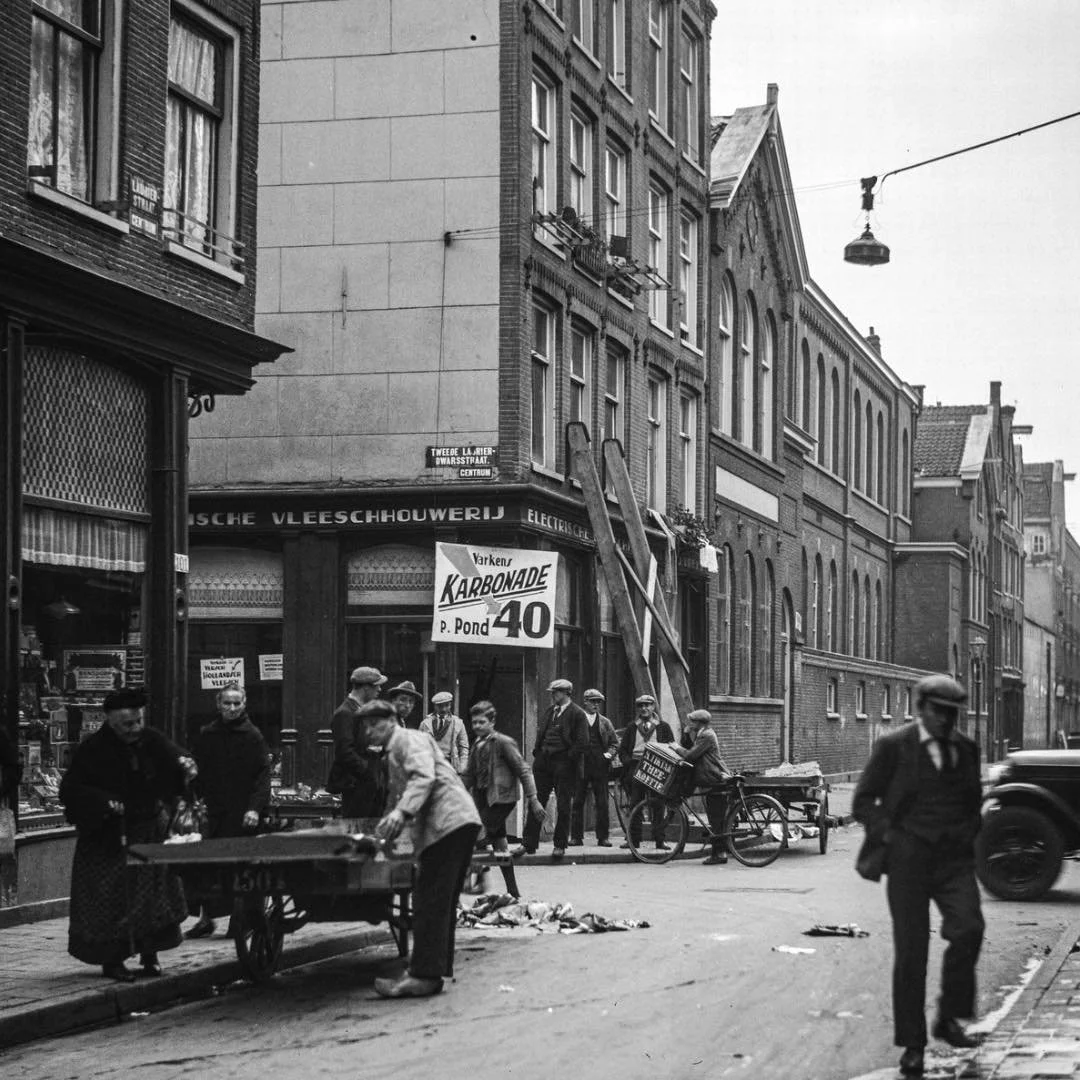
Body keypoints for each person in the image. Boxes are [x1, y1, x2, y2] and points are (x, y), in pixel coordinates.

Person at [853, 674, 985, 1078]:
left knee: (968, 929)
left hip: (952, 862)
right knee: (911, 953)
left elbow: (972, 801)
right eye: (939, 712)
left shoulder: (966, 749)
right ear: (921, 708)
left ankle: (950, 1017)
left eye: (953, 714)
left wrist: (965, 836)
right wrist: (890, 838)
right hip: (908, 862)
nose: (947, 721)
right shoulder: (894, 747)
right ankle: (913, 1045)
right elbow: (864, 801)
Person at [59, 689, 195, 981]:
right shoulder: (93, 749)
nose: (134, 729)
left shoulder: (150, 738)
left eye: (137, 722)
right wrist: (104, 801)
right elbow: (71, 789)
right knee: (110, 897)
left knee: (152, 897)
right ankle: (112, 960)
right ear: (110, 721)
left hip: (147, 829)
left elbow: (173, 755)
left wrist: (184, 763)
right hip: (109, 836)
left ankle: (150, 954)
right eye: (126, 724)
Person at [359, 700, 481, 999]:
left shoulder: (408, 739)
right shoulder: (395, 749)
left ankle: (423, 976)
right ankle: (430, 972)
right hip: (453, 823)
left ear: (391, 721)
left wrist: (400, 814)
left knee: (429, 900)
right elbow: (398, 797)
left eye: (374, 725)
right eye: (365, 726)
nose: (369, 732)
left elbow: (423, 778)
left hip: (448, 823)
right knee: (436, 901)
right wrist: (386, 834)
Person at [186, 684, 271, 938]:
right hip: (214, 811)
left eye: (237, 703)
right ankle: (206, 918)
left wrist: (255, 809)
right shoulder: (208, 734)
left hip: (242, 813)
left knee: (241, 868)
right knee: (207, 865)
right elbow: (196, 770)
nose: (232, 708)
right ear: (218, 705)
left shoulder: (252, 735)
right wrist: (192, 797)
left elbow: (262, 776)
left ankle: (241, 919)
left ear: (244, 705)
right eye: (227, 703)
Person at [463, 701, 545, 855]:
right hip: (482, 797)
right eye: (474, 722)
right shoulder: (476, 744)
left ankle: (476, 872)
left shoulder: (503, 742)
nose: (477, 726)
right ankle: (505, 879)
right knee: (500, 845)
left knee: (475, 835)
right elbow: (469, 774)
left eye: (482, 722)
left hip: (501, 799)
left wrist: (533, 799)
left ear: (492, 722)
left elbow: (523, 770)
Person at [522, 678, 588, 861]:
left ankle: (559, 845)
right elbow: (542, 733)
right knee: (536, 802)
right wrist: (538, 753)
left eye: (556, 692)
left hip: (564, 764)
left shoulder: (577, 714)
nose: (553, 695)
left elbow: (582, 742)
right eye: (552, 692)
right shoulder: (550, 711)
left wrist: (568, 758)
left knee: (564, 805)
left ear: (567, 693)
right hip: (544, 762)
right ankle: (529, 843)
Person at [328, 666, 388, 822]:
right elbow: (345, 752)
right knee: (357, 833)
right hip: (356, 785)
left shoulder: (362, 710)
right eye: (376, 686)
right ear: (365, 688)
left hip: (370, 784)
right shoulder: (345, 713)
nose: (380, 689)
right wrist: (367, 772)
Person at [673, 709, 731, 865]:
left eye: (692, 722)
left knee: (716, 819)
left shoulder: (706, 735)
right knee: (715, 818)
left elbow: (691, 755)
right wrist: (686, 734)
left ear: (699, 723)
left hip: (713, 778)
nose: (689, 724)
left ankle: (719, 854)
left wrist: (675, 748)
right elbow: (692, 748)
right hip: (710, 778)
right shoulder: (702, 734)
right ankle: (719, 852)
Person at [617, 695, 675, 851]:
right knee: (635, 805)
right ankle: (634, 840)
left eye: (647, 705)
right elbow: (623, 750)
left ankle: (660, 840)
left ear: (653, 707)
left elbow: (671, 747)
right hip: (636, 767)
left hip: (657, 768)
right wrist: (628, 763)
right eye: (641, 706)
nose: (644, 708)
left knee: (658, 805)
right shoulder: (632, 727)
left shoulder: (663, 727)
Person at [570, 689, 619, 848]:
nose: (595, 705)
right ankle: (576, 837)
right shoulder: (576, 720)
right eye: (592, 701)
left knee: (602, 803)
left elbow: (614, 743)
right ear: (585, 702)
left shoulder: (605, 722)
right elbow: (568, 740)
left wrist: (608, 755)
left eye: (598, 702)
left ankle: (603, 837)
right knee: (577, 801)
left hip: (600, 766)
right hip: (581, 765)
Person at [419, 691, 470, 776]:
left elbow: (464, 747)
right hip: (432, 765)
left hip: (451, 765)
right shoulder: (425, 724)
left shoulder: (458, 723)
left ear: (450, 705)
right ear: (435, 706)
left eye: (446, 705)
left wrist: (462, 766)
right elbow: (419, 747)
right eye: (440, 706)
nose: (443, 709)